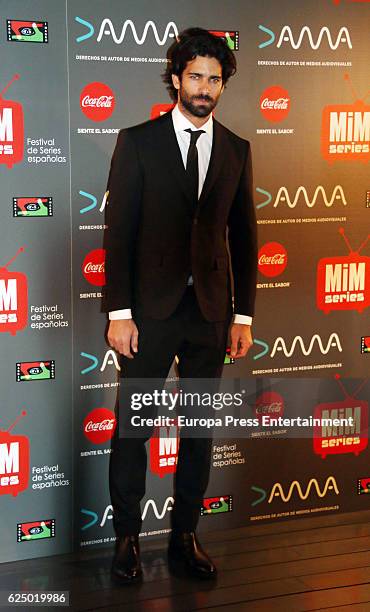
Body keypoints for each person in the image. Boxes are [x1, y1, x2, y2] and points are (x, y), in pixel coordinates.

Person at [102, 27, 257, 585]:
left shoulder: (237, 148)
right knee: (134, 428)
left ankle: (185, 537)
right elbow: (117, 233)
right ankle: (125, 542)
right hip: (148, 315)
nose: (204, 88)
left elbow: (244, 237)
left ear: (222, 86)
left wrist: (242, 315)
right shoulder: (138, 142)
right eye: (195, 76)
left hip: (210, 316)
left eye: (215, 79)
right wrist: (119, 311)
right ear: (175, 78)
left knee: (197, 432)